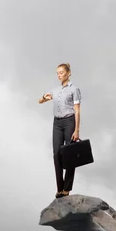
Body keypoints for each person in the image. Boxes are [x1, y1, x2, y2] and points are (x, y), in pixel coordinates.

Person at [38, 63, 81, 198]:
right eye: (57, 73)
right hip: (57, 123)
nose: (59, 75)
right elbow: (40, 101)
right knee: (56, 154)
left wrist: (77, 130)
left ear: (68, 73)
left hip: (69, 122)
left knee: (69, 154)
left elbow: (77, 110)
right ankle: (59, 188)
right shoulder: (55, 90)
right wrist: (44, 97)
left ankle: (66, 188)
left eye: (61, 72)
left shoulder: (74, 89)